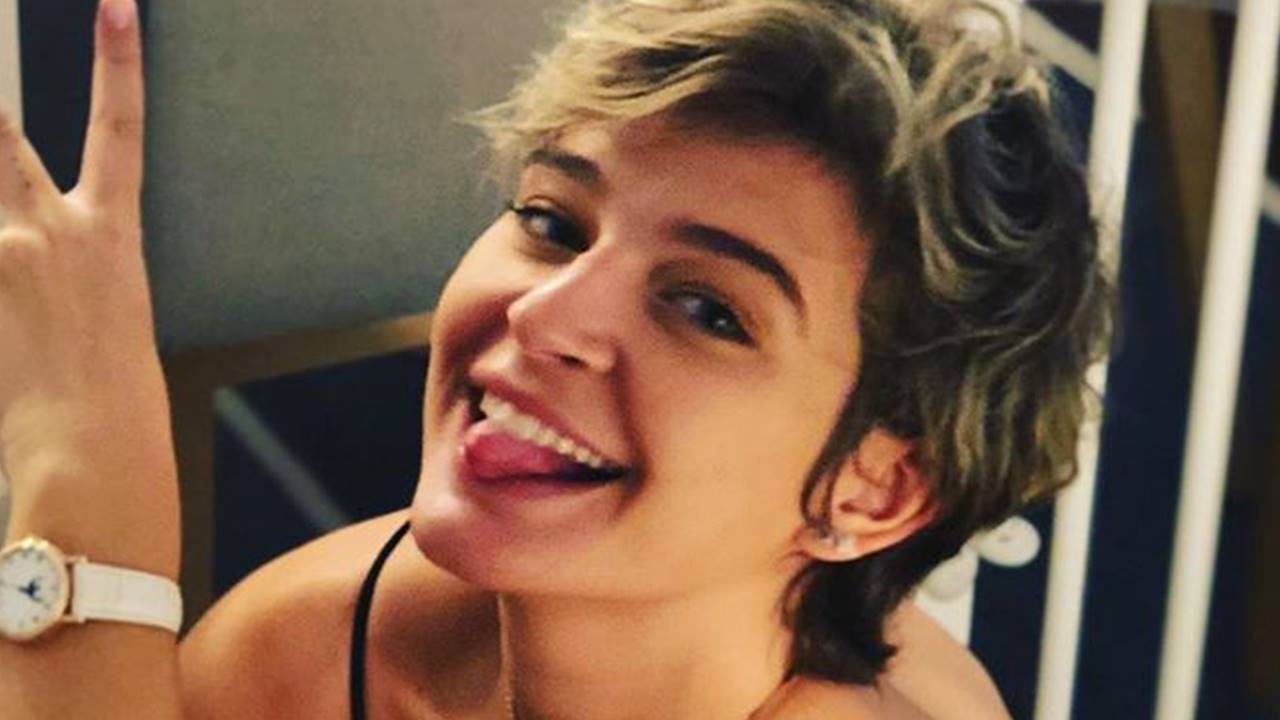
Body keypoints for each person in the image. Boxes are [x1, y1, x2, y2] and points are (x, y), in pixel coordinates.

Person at [0, 0, 1109, 717]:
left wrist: (89, 482)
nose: (543, 315)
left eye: (705, 309)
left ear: (870, 491)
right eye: (553, 222)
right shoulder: (311, 647)